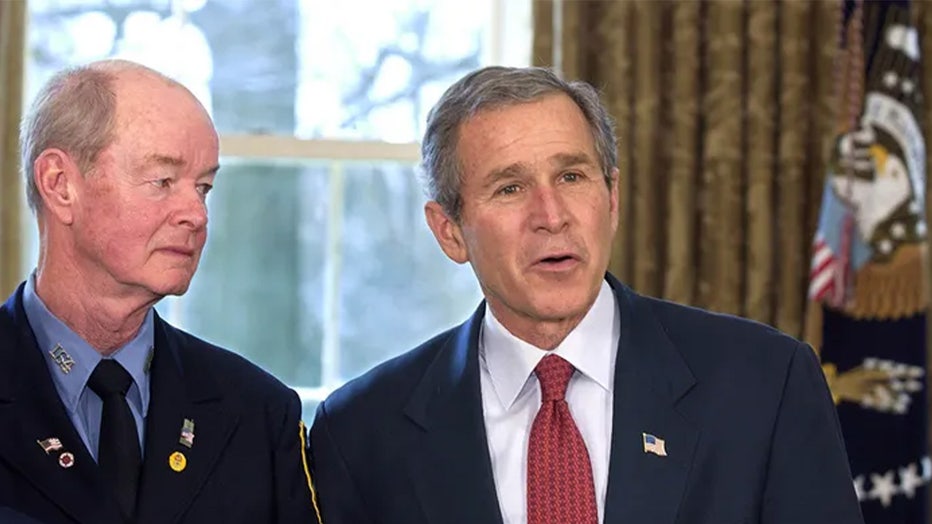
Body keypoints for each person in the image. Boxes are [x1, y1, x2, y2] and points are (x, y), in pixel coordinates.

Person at [308, 66, 864, 524]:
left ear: (612, 197)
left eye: (572, 177)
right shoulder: (361, 433)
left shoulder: (765, 384)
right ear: (449, 230)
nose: (551, 217)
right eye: (510, 188)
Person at [0, 60, 321, 524]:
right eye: (163, 181)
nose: (196, 214)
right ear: (60, 184)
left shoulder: (258, 412)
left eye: (204, 188)